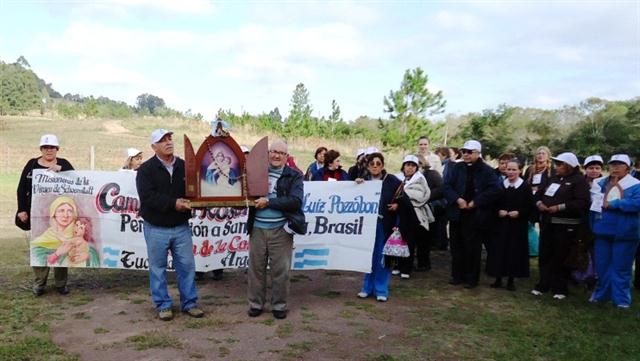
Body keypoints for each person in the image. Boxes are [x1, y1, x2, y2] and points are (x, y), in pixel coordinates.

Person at [136, 128, 204, 321]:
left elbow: (195, 190)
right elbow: (148, 197)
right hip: (156, 227)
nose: (168, 142)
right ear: (153, 146)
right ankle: (163, 305)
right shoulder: (145, 170)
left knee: (187, 267)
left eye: (169, 138)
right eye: (162, 140)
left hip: (181, 227)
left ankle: (189, 303)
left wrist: (200, 202)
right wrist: (174, 203)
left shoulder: (184, 166)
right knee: (158, 268)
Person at [246, 139, 306, 319]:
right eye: (273, 151)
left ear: (286, 157)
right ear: (268, 154)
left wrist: (269, 202)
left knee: (280, 270)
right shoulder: (256, 173)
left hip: (281, 229)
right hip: (257, 228)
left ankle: (279, 306)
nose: (276, 155)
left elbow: (295, 201)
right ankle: (256, 304)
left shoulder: (294, 176)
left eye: (281, 153)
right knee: (256, 269)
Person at [16, 134, 74, 296]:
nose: (49, 150)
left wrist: (62, 170)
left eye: (52, 147)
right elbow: (21, 189)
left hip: (61, 216)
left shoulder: (64, 164)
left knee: (61, 247)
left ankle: (61, 284)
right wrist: (22, 209)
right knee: (40, 247)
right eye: (45, 147)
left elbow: (79, 181)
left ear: (57, 149)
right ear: (41, 149)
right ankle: (40, 283)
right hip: (37, 215)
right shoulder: (32, 164)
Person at [443, 140, 501, 289]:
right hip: (457, 212)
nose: (466, 155)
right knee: (456, 246)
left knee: (472, 248)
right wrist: (457, 199)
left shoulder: (487, 170)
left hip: (476, 215)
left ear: (477, 153)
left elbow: (495, 189)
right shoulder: (457, 167)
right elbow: (447, 186)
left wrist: (476, 202)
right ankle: (457, 276)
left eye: (469, 152)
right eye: (464, 152)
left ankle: (471, 279)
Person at [531, 152, 590, 300]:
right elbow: (538, 194)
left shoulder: (579, 181)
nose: (557, 167)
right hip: (548, 222)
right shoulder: (553, 178)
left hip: (566, 225)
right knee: (545, 254)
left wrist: (560, 207)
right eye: (556, 164)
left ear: (569, 166)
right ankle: (543, 284)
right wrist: (539, 204)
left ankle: (560, 288)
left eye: (560, 164)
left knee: (561, 256)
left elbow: (582, 202)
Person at [589, 154, 640, 308]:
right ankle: (602, 294)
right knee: (602, 266)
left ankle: (621, 300)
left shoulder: (636, 184)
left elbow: (637, 203)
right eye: (613, 164)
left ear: (628, 167)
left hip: (625, 233)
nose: (615, 168)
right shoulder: (600, 182)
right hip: (602, 232)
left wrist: (616, 203)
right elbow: (594, 206)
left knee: (621, 267)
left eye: (620, 165)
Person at [356, 152, 402, 302]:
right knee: (368, 256)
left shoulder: (393, 181)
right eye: (372, 164)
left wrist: (397, 205)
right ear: (368, 166)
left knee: (383, 257)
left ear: (382, 165)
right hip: (367, 224)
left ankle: (381, 289)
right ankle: (366, 287)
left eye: (378, 164)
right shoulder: (362, 181)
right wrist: (355, 186)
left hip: (385, 224)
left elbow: (404, 201)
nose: (375, 166)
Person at [487, 160, 532, 291]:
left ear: (520, 171)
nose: (511, 172)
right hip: (501, 224)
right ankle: (498, 278)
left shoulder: (525, 187)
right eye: (508, 169)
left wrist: (519, 213)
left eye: (514, 170)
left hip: (517, 225)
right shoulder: (500, 185)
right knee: (499, 250)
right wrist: (497, 211)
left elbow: (530, 207)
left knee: (514, 251)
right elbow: (492, 203)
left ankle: (511, 280)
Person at [393, 155, 433, 279]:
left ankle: (407, 268)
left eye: (412, 166)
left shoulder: (420, 180)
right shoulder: (397, 178)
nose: (409, 168)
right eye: (407, 165)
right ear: (403, 166)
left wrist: (402, 198)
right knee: (397, 239)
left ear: (416, 167)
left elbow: (421, 196)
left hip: (413, 215)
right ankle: (397, 265)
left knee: (409, 241)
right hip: (398, 214)